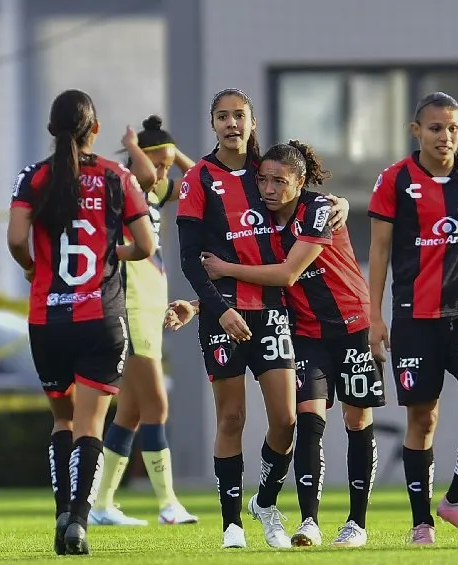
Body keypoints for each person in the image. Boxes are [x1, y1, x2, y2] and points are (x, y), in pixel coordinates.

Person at [174, 88, 350, 549]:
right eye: (222, 116)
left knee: (286, 420)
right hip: (223, 316)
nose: (232, 123)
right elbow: (192, 260)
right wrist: (219, 308)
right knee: (231, 417)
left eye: (240, 116)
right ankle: (232, 524)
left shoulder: (266, 173)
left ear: (252, 122)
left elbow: (308, 201)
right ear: (212, 123)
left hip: (272, 311)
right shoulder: (198, 179)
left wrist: (341, 205)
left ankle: (266, 501)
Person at [193, 140, 385, 547]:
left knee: (357, 421)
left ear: (300, 183)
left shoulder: (318, 211)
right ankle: (309, 523)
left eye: (280, 181)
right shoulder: (260, 217)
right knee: (307, 421)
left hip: (351, 323)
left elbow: (286, 275)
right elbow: (255, 278)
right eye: (263, 179)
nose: (268, 188)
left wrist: (224, 268)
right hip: (307, 333)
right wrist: (199, 305)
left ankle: (356, 525)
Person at [6, 89, 156, 555]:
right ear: (95, 129)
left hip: (47, 319)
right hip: (101, 318)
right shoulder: (117, 176)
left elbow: (15, 240)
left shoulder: (34, 177)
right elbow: (147, 246)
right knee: (91, 424)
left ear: (52, 131)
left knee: (62, 421)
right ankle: (78, 521)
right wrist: (115, 252)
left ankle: (61, 514)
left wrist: (33, 269)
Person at [366, 92, 458, 545]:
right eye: (435, 128)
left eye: (453, 128)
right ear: (416, 131)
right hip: (414, 319)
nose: (445, 136)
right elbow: (380, 252)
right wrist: (375, 316)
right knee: (422, 420)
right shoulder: (394, 180)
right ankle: (421, 522)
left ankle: (457, 499)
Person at [89, 116, 198, 526]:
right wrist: (135, 148)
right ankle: (168, 502)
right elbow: (139, 173)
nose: (163, 173)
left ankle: (101, 506)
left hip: (152, 305)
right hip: (129, 304)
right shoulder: (123, 193)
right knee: (157, 403)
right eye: (158, 165)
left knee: (130, 413)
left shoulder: (154, 196)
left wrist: (170, 150)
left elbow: (199, 179)